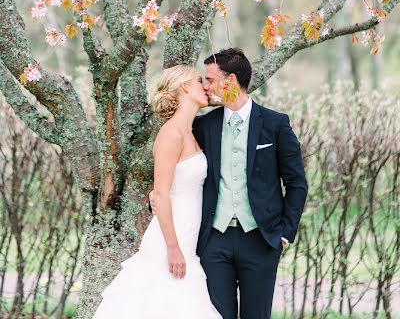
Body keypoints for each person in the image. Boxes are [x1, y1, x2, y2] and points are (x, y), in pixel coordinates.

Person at [152, 47, 308, 319]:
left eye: (210, 80)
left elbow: (297, 184)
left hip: (261, 241)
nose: (206, 86)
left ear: (231, 81)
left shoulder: (275, 124)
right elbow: (178, 171)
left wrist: (283, 234)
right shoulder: (203, 126)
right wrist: (158, 200)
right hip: (214, 243)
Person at [92, 64, 222, 319]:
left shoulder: (190, 133)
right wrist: (173, 248)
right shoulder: (171, 134)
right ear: (185, 86)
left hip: (188, 238)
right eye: (200, 81)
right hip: (170, 240)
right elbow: (160, 194)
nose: (206, 86)